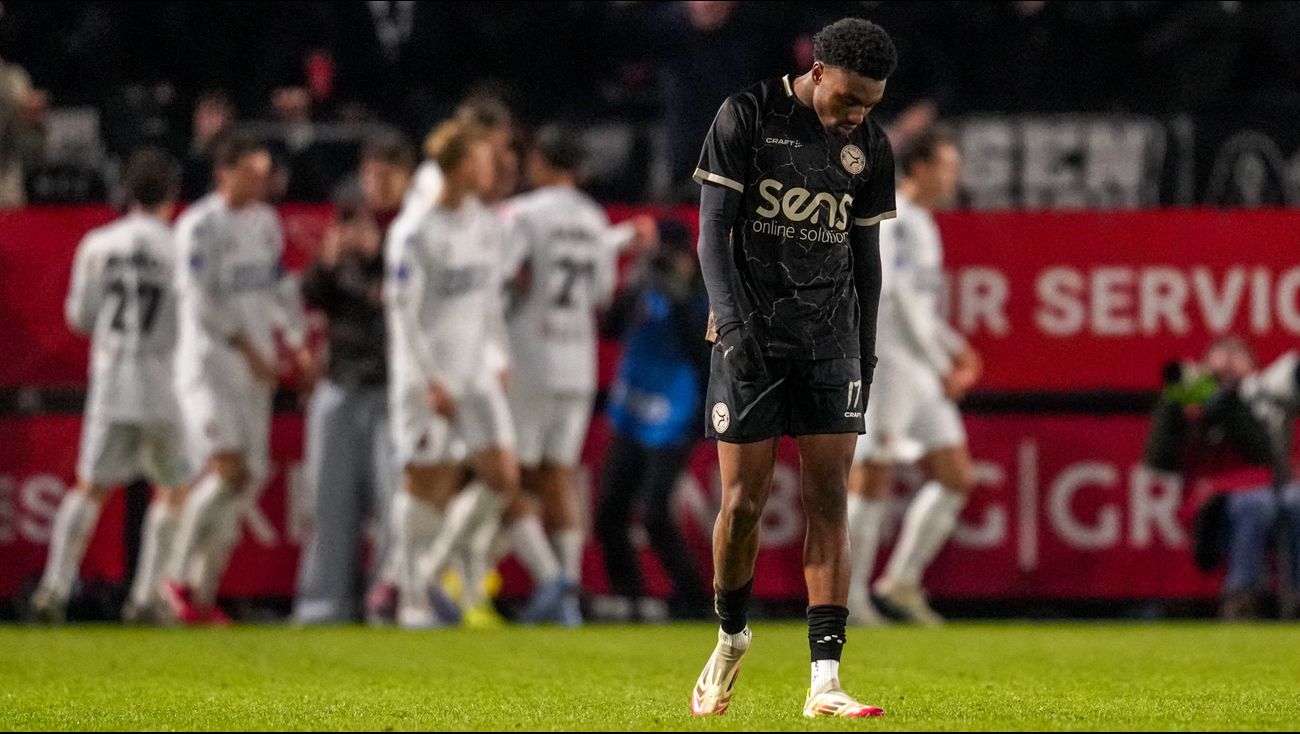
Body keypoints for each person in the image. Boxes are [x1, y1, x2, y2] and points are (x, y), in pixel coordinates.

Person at [688, 17, 897, 719]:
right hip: (752, 337)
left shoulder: (870, 146)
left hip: (831, 340)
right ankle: (731, 635)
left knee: (831, 498)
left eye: (871, 102)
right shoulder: (748, 115)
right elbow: (713, 229)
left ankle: (825, 681)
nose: (858, 114)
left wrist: (864, 353)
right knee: (743, 506)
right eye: (849, 99)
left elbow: (865, 262)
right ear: (816, 72)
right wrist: (733, 322)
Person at [384, 118, 565, 629]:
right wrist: (429, 378)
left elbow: (488, 303)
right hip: (429, 376)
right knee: (427, 483)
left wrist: (499, 357)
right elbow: (404, 313)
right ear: (463, 165)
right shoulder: (415, 230)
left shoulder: (484, 224)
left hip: (477, 371)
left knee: (503, 477)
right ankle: (411, 600)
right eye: (486, 159)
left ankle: (429, 569)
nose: (496, 167)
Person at [494, 125, 656, 625]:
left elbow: (499, 278)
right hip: (577, 363)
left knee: (508, 479)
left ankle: (554, 582)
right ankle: (568, 597)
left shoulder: (521, 214)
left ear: (539, 163)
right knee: (558, 478)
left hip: (528, 358)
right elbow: (603, 294)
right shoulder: (592, 219)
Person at [29, 148, 189, 624]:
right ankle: (144, 598)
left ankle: (53, 590)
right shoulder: (180, 247)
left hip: (114, 380)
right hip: (165, 384)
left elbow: (79, 317)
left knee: (90, 487)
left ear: (126, 192)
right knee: (173, 488)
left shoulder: (98, 244)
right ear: (172, 195)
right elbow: (191, 321)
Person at [165, 133, 312, 624]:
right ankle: (175, 577)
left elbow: (276, 286)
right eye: (252, 174)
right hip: (210, 367)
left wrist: (296, 341)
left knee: (247, 480)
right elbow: (199, 299)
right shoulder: (197, 225)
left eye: (265, 174)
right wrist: (249, 347)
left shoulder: (266, 223)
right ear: (223, 173)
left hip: (255, 371)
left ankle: (203, 598)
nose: (262, 183)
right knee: (228, 471)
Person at [845, 125, 981, 626]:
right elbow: (895, 299)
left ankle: (901, 581)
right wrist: (945, 361)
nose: (955, 176)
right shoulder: (895, 218)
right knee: (872, 476)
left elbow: (920, 306)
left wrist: (954, 347)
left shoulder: (923, 221)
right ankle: (850, 599)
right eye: (947, 165)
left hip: (920, 365)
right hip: (890, 363)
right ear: (920, 167)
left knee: (955, 477)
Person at [293, 132, 415, 625]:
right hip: (342, 380)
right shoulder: (347, 225)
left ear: (406, 177)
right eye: (370, 174)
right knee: (329, 505)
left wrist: (379, 252)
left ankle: (386, 603)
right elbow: (311, 295)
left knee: (395, 506)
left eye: (387, 174)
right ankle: (323, 607)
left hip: (393, 386)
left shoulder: (414, 229)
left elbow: (399, 301)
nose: (377, 184)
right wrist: (327, 260)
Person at [595, 218, 711, 622]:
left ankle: (692, 598)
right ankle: (630, 597)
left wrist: (678, 299)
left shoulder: (701, 288)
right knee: (609, 511)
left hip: (674, 412)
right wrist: (631, 285)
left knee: (655, 511)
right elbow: (610, 328)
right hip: (632, 407)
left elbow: (704, 353)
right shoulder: (643, 281)